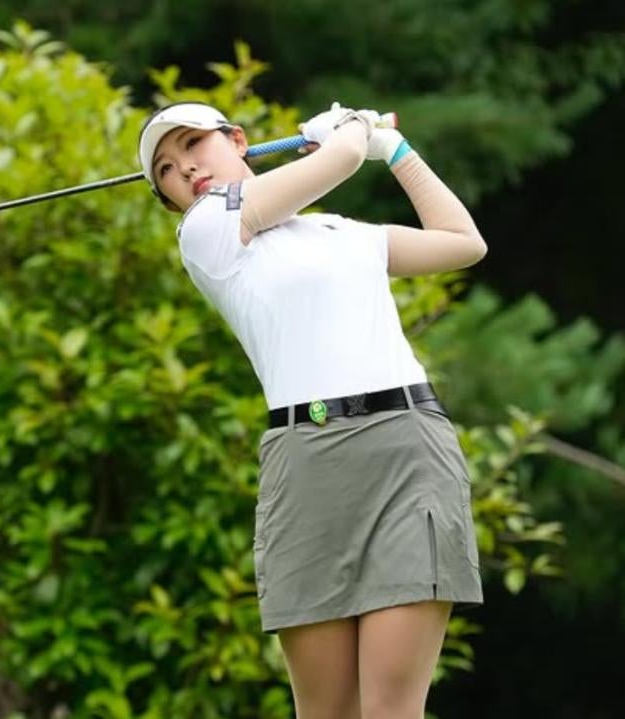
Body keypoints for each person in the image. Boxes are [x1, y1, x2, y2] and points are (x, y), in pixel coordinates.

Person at [137, 101, 486, 719]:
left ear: (237, 140)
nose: (183, 167)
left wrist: (395, 152)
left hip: (407, 449)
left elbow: (462, 243)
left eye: (193, 144)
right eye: (165, 169)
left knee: (391, 710)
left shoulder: (339, 232)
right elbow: (343, 157)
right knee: (328, 711)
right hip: (306, 464)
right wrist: (351, 129)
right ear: (169, 198)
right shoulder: (206, 231)